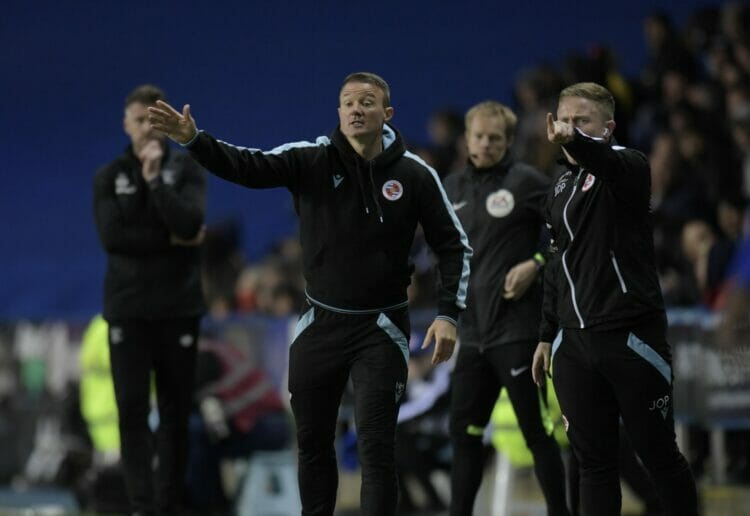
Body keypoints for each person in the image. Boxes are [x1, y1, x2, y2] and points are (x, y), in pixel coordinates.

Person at [147, 72, 472, 516]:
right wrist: (194, 139)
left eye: (367, 101)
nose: (356, 109)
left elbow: (454, 246)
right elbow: (246, 166)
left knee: (377, 448)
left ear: (386, 114)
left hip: (381, 329)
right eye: (348, 102)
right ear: (339, 112)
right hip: (319, 326)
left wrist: (448, 313)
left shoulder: (415, 175)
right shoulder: (310, 159)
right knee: (314, 447)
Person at [532, 82, 699, 515]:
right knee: (594, 466)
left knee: (660, 457)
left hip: (630, 338)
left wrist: (577, 143)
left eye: (581, 121)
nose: (569, 129)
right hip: (574, 346)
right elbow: (556, 263)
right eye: (564, 120)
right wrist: (547, 334)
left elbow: (602, 161)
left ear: (607, 127)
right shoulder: (559, 188)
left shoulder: (629, 167)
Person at [443, 101, 570, 516]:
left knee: (537, 433)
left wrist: (534, 264)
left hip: (517, 332)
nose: (486, 144)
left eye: (495, 138)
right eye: (479, 136)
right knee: (463, 436)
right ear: (466, 138)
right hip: (473, 335)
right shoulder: (452, 189)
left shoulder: (528, 182)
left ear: (509, 140)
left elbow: (567, 235)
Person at [93, 84, 206, 515]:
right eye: (138, 120)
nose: (146, 128)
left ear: (167, 121)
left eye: (153, 119)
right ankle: (141, 506)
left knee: (177, 413)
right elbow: (113, 238)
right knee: (132, 411)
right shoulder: (109, 176)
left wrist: (156, 182)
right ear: (126, 124)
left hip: (179, 308)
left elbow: (190, 220)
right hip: (129, 310)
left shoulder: (188, 171)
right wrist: (176, 238)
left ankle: (167, 504)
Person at [185, 339, 292, 513]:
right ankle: (214, 505)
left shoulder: (202, 358)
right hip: (269, 423)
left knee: (194, 432)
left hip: (269, 426)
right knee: (201, 438)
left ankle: (202, 506)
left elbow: (189, 402)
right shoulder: (212, 349)